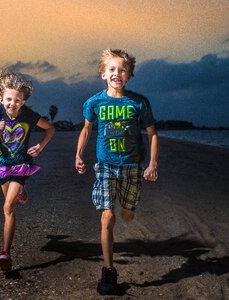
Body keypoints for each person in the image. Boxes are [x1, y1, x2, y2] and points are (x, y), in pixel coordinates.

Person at [75, 49, 159, 295]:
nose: (116, 73)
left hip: (132, 166)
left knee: (129, 214)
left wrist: (153, 164)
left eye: (122, 70)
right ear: (103, 74)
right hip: (105, 167)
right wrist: (78, 154)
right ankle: (108, 271)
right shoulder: (94, 103)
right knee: (107, 216)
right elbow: (87, 130)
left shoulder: (139, 103)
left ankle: (128, 207)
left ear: (129, 76)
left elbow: (153, 134)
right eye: (111, 69)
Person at [0, 69, 55, 272]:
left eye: (17, 100)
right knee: (10, 202)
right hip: (3, 167)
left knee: (8, 207)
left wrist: (41, 146)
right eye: (9, 99)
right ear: (1, 99)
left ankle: (5, 253)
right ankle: (21, 191)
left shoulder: (29, 115)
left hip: (21, 166)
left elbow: (50, 129)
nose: (13, 104)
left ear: (23, 102)